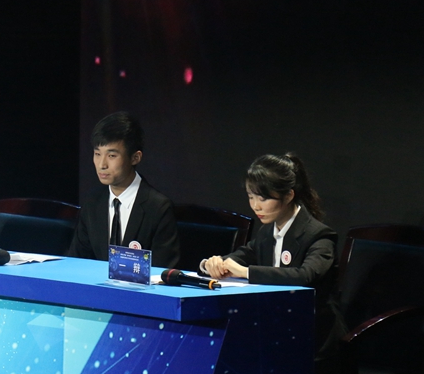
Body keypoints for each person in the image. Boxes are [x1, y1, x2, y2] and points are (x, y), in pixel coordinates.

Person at [201, 153, 341, 353]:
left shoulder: (319, 235)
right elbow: (244, 254)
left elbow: (305, 276)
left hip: (312, 336)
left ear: (289, 195)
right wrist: (213, 263)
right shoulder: (267, 232)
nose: (255, 206)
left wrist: (245, 272)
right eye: (251, 197)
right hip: (274, 328)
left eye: (263, 198)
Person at [67, 112, 180, 267]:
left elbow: (163, 270)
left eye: (112, 156)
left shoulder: (158, 207)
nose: (102, 164)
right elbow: (76, 262)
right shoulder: (92, 202)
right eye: (97, 154)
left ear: (135, 157)